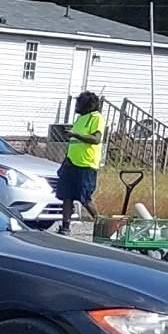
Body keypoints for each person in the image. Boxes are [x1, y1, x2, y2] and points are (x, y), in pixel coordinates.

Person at [55, 91, 105, 235]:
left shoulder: (96, 118)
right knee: (66, 195)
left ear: (87, 105)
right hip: (71, 163)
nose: (76, 106)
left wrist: (75, 134)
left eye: (79, 103)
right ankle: (65, 227)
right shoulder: (80, 119)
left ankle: (102, 225)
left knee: (85, 198)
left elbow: (96, 139)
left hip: (86, 165)